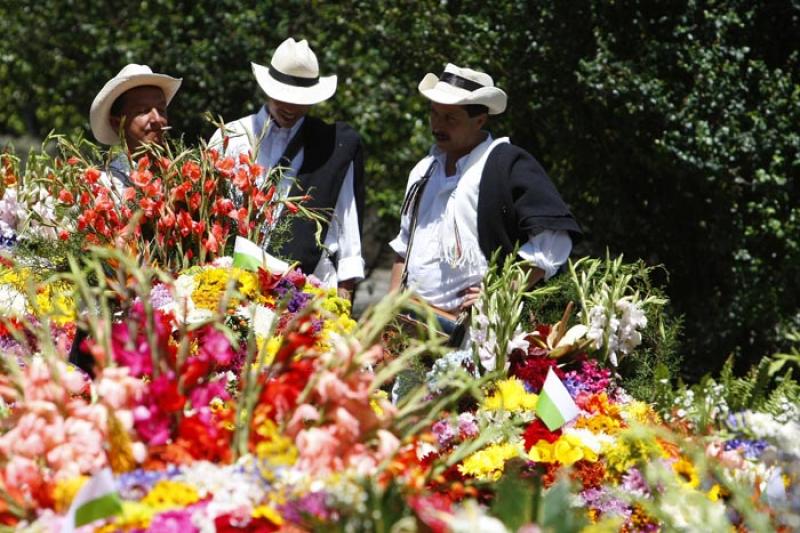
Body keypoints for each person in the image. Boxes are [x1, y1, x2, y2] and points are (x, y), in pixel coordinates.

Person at [389, 63, 582, 330]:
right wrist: (389, 311)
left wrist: (501, 290)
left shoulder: (506, 164)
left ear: (479, 120)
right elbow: (404, 247)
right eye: (434, 114)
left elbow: (553, 240)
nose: (437, 125)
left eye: (450, 118)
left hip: (478, 331)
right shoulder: (423, 170)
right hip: (412, 327)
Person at [209, 38, 365, 299]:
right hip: (233, 283)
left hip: (306, 289)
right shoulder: (231, 137)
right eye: (283, 96)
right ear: (266, 89)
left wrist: (345, 294)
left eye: (301, 100)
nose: (291, 107)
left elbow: (346, 224)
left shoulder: (333, 146)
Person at [89, 64, 182, 187]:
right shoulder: (105, 185)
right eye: (143, 111)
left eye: (161, 109)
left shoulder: (180, 179)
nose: (157, 119)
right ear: (117, 124)